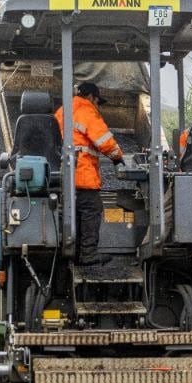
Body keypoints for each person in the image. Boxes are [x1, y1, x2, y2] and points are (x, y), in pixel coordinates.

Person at [56, 81, 124, 266]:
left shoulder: (62, 111)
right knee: (91, 210)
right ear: (91, 96)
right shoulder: (86, 110)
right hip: (82, 173)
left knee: (73, 213)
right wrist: (118, 157)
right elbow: (104, 141)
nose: (97, 105)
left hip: (63, 175)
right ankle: (88, 254)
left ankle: (73, 252)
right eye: (97, 101)